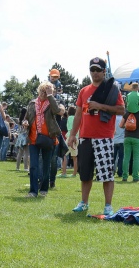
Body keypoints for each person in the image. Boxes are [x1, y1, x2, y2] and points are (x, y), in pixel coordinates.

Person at [68, 57, 125, 215]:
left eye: (98, 70)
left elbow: (121, 110)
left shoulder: (112, 89)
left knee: (106, 174)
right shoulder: (83, 91)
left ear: (104, 71)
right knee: (85, 173)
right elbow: (78, 114)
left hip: (104, 137)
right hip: (86, 137)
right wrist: (73, 135)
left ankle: (108, 206)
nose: (95, 73)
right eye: (92, 70)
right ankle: (84, 202)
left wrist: (100, 106)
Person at [25, 81, 61, 198]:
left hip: (48, 138)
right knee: (34, 165)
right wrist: (25, 122)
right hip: (33, 138)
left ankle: (44, 189)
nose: (43, 94)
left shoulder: (51, 103)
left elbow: (57, 111)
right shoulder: (32, 103)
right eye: (42, 91)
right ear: (38, 90)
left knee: (46, 165)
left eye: (47, 92)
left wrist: (51, 96)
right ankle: (33, 191)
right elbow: (26, 118)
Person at [121, 109, 139, 182]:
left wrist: (128, 125)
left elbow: (120, 125)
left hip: (127, 137)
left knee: (126, 157)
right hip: (137, 138)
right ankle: (135, 177)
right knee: (136, 158)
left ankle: (124, 176)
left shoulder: (126, 113)